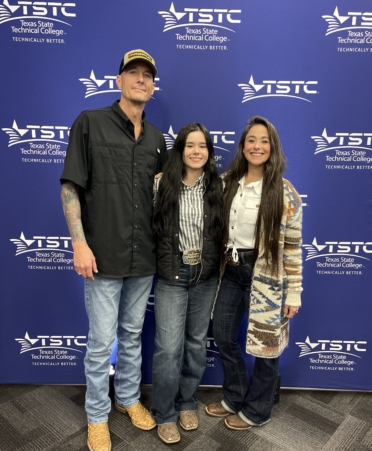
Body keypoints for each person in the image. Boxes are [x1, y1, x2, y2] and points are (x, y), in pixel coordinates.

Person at [60, 49, 168, 451]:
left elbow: (161, 197)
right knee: (101, 341)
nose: (141, 79)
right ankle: (96, 416)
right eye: (133, 73)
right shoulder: (90, 123)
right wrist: (79, 243)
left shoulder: (158, 140)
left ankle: (127, 399)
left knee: (133, 333)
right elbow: (70, 186)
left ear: (153, 86)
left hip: (144, 258)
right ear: (118, 80)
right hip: (101, 256)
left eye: (147, 75)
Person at [206, 116, 303, 430]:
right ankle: (235, 396)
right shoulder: (228, 181)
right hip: (231, 272)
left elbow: (292, 248)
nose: (257, 146)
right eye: (251, 140)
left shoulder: (285, 193)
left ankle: (258, 409)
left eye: (264, 141)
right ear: (242, 145)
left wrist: (294, 293)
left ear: (272, 147)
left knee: (267, 347)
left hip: (267, 280)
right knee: (222, 335)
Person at [151, 123, 224, 444]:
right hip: (172, 275)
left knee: (195, 345)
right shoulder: (160, 185)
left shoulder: (218, 186)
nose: (196, 152)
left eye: (203, 146)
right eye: (190, 145)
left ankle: (186, 403)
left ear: (209, 152)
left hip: (205, 277)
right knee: (168, 349)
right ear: (179, 150)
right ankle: (164, 413)